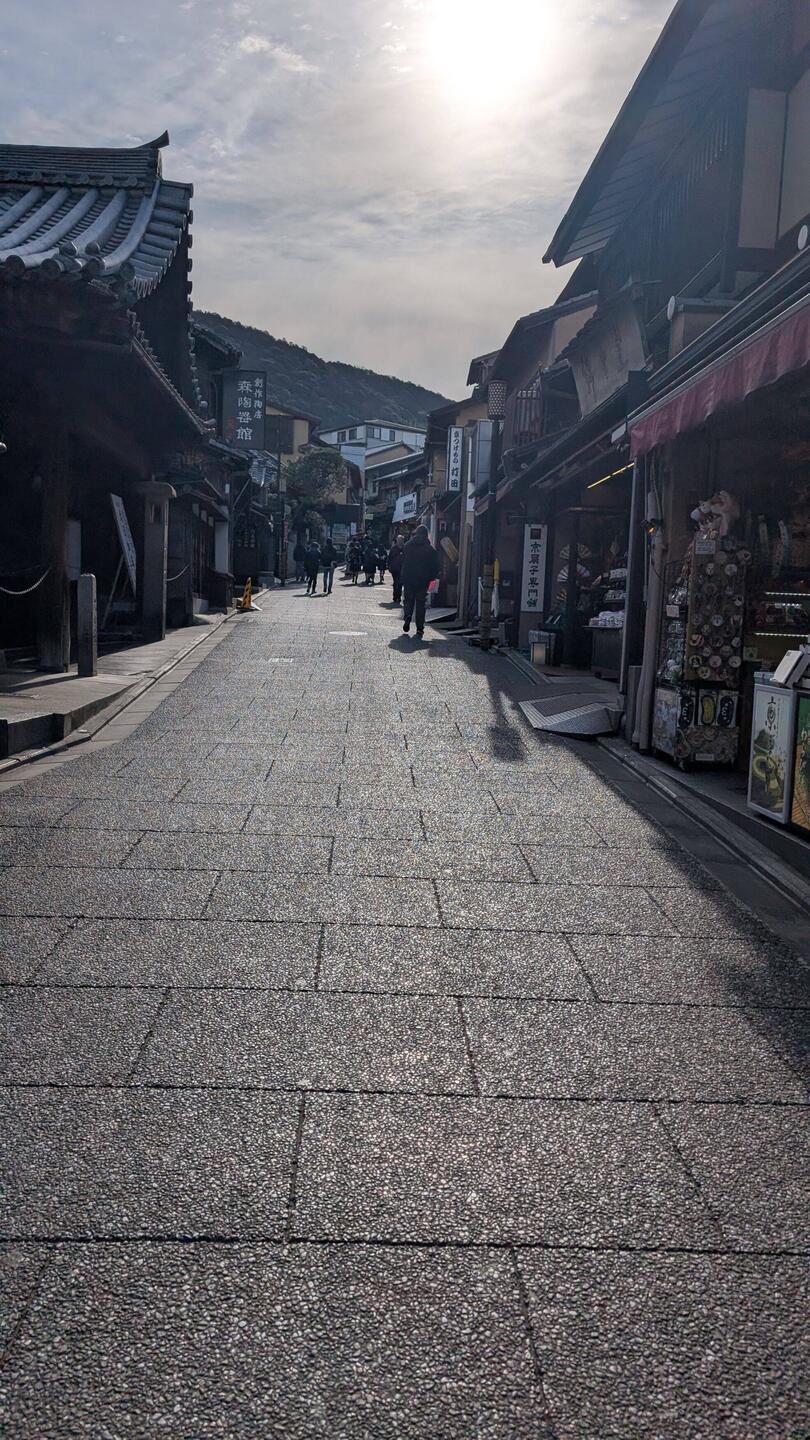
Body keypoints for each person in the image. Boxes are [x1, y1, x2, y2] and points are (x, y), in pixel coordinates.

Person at [401, 525, 439, 640]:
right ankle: (419, 628)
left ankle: (407, 615)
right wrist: (431, 577)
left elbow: (403, 561)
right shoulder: (430, 550)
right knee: (421, 603)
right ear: (426, 535)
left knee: (408, 600)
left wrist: (403, 576)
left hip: (408, 578)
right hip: (423, 580)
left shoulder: (407, 546)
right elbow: (435, 567)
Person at [387, 535, 406, 604]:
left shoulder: (405, 548)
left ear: (403, 541)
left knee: (400, 583)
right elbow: (389, 558)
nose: (399, 542)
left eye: (400, 540)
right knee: (396, 583)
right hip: (395, 569)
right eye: (398, 540)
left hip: (403, 569)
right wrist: (389, 566)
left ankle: (399, 596)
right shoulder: (393, 549)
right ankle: (395, 596)